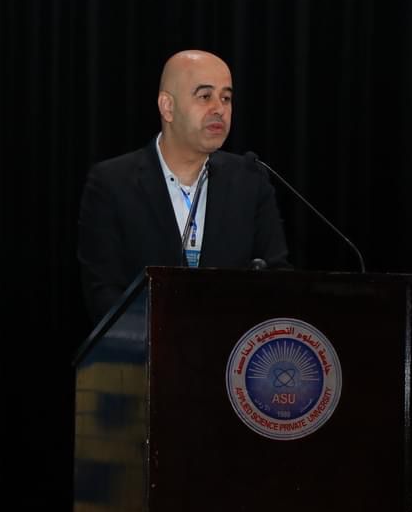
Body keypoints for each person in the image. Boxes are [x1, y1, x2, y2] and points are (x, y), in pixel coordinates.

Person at [77, 49, 290, 324]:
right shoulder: (112, 184)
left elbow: (278, 281)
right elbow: (104, 294)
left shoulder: (250, 180)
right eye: (205, 96)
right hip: (143, 348)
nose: (219, 109)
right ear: (167, 107)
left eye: (226, 98)